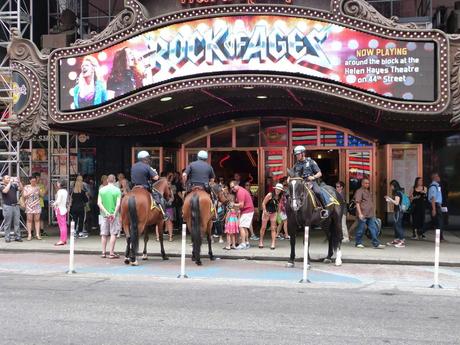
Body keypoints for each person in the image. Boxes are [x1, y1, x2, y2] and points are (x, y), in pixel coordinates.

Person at [291, 145, 328, 218]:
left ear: (303, 153)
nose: (297, 156)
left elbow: (319, 173)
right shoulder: (296, 165)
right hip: (301, 183)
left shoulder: (311, 162)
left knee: (318, 192)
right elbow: (292, 174)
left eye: (298, 154)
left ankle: (324, 209)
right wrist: (289, 178)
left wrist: (313, 177)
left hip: (311, 182)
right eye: (296, 155)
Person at [131, 150, 166, 218]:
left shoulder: (133, 166)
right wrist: (154, 172)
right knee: (159, 197)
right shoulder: (147, 166)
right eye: (148, 158)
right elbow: (156, 178)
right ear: (145, 158)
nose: (149, 160)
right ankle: (163, 213)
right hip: (144, 187)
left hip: (134, 187)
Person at [354, 178, 385, 249]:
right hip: (363, 213)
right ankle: (358, 242)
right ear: (362, 183)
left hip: (370, 214)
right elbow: (357, 203)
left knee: (373, 228)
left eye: (368, 183)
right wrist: (360, 214)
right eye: (365, 183)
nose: (367, 184)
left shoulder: (367, 191)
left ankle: (376, 243)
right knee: (361, 229)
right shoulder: (359, 191)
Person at [97, 174, 122, 259]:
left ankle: (103, 252)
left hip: (104, 215)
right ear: (114, 180)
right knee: (113, 234)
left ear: (107, 180)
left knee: (104, 234)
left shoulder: (102, 190)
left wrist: (106, 213)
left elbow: (99, 203)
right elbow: (118, 204)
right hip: (114, 215)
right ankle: (111, 253)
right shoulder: (117, 190)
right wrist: (114, 213)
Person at [258, 183, 284, 250]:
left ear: (281, 191)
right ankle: (260, 241)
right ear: (275, 188)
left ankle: (273, 243)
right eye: (277, 189)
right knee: (263, 227)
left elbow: (278, 205)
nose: (278, 190)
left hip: (274, 213)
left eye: (279, 190)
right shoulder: (270, 194)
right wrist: (265, 211)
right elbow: (263, 203)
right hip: (266, 212)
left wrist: (279, 214)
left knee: (273, 228)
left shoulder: (280, 196)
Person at [230, 180, 254, 250]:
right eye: (231, 188)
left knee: (241, 226)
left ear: (237, 184)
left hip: (247, 210)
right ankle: (246, 243)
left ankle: (243, 244)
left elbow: (241, 205)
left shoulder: (240, 192)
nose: (232, 189)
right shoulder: (241, 190)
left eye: (233, 187)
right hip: (248, 210)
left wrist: (233, 204)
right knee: (244, 227)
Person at [1, 175, 23, 243]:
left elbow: (21, 188)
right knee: (7, 223)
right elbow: (5, 191)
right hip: (7, 206)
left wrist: (19, 182)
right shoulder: (2, 186)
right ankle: (7, 237)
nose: (9, 179)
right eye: (7, 178)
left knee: (17, 222)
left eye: (9, 178)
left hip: (15, 206)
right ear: (3, 180)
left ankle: (17, 236)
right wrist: (10, 183)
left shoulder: (14, 185)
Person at [385, 180, 406, 248]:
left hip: (398, 211)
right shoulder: (400, 192)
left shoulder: (397, 193)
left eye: (391, 186)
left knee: (397, 225)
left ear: (393, 186)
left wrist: (389, 199)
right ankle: (397, 239)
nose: (391, 187)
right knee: (396, 225)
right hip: (398, 211)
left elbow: (396, 203)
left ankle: (402, 240)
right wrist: (390, 200)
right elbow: (397, 202)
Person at [22, 175, 42, 241]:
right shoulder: (26, 187)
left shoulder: (38, 187)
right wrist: (31, 192)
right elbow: (24, 196)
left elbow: (41, 195)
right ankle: (29, 234)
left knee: (37, 220)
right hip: (29, 205)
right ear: (30, 181)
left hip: (37, 204)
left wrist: (39, 191)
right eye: (32, 181)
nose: (34, 182)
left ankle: (37, 234)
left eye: (35, 181)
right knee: (29, 220)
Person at [427, 172, 444, 241]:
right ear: (434, 178)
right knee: (439, 223)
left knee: (436, 222)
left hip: (437, 206)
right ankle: (440, 238)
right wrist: (434, 209)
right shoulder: (433, 187)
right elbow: (433, 198)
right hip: (435, 206)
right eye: (437, 176)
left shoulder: (437, 186)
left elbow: (437, 198)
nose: (439, 177)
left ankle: (420, 231)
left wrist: (440, 206)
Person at [52, 180, 68, 246]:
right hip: (63, 208)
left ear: (60, 184)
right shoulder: (65, 191)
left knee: (61, 226)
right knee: (64, 225)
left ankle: (62, 240)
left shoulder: (59, 191)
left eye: (58, 182)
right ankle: (64, 239)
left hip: (59, 209)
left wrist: (53, 204)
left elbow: (58, 201)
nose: (57, 184)